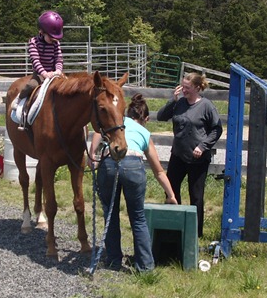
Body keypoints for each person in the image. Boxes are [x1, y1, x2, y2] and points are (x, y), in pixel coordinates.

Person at [89, 93, 178, 272]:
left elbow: (98, 132)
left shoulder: (117, 121)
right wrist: (171, 195)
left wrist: (92, 155)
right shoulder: (144, 133)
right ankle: (145, 266)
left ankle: (113, 260)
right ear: (146, 119)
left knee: (110, 213)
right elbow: (159, 171)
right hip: (133, 165)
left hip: (108, 163)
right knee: (138, 217)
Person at [157, 72, 222, 238]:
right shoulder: (179, 103)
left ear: (197, 88)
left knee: (196, 196)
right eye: (182, 87)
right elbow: (161, 117)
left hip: (197, 158)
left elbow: (217, 129)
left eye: (187, 87)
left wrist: (203, 146)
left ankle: (195, 233)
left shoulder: (207, 106)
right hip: (178, 155)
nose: (184, 90)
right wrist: (173, 100)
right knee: (171, 190)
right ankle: (174, 227)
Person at [11, 11, 64, 128]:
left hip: (54, 73)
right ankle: (19, 99)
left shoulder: (56, 43)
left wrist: (58, 71)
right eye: (51, 37)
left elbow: (58, 59)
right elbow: (36, 61)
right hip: (40, 73)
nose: (53, 39)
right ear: (41, 31)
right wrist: (44, 73)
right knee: (32, 85)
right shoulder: (34, 42)